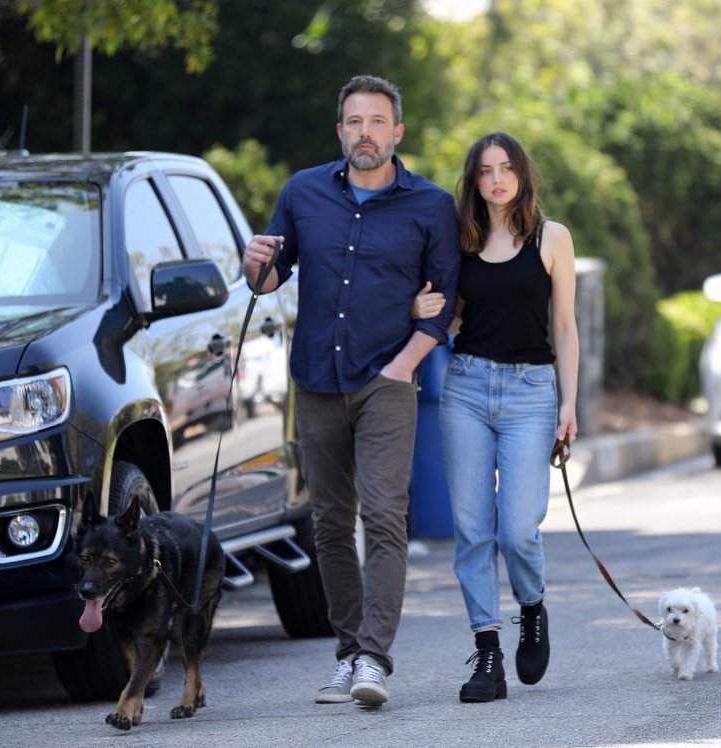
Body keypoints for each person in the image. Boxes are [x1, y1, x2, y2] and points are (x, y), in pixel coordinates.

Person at [243, 74, 460, 708]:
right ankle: (347, 654)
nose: (365, 133)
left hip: (386, 380)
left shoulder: (431, 206)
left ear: (397, 133)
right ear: (340, 131)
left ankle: (374, 660)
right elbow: (268, 279)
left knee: (384, 519)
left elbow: (442, 308)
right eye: (354, 122)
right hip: (314, 380)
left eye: (377, 122)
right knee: (330, 525)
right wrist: (253, 262)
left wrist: (403, 367)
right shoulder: (303, 193)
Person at [414, 131, 579, 703]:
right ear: (474, 181)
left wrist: (570, 403)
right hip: (465, 387)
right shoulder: (462, 238)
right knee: (472, 530)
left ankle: (531, 607)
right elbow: (450, 316)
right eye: (486, 171)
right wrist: (419, 309)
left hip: (532, 392)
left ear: (522, 174)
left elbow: (564, 326)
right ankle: (487, 652)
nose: (497, 179)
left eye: (506, 168)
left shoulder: (552, 237)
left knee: (517, 529)